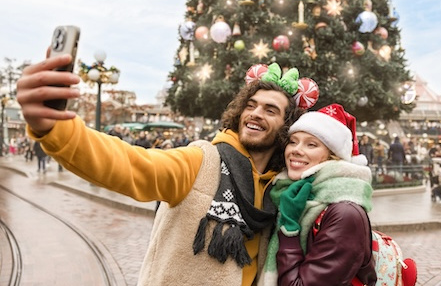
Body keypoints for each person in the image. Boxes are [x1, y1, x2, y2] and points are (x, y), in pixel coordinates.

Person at [16, 56, 305, 286]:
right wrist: (55, 128)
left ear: (286, 127)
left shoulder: (278, 188)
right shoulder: (202, 161)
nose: (255, 113)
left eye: (270, 110)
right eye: (251, 105)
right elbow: (129, 164)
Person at [260, 104, 376, 286]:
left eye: (311, 144)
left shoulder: (345, 214)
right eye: (293, 141)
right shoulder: (285, 192)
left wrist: (289, 231)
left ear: (333, 156)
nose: (296, 150)